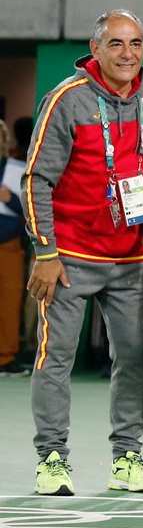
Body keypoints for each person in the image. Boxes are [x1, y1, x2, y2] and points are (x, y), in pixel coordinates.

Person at [22, 9, 143, 495]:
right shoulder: (67, 100)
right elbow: (36, 178)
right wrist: (46, 251)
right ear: (95, 47)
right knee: (55, 359)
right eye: (118, 44)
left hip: (129, 260)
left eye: (137, 44)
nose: (129, 54)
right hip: (69, 259)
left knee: (133, 360)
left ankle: (126, 457)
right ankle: (52, 458)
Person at [0, 118, 28, 377]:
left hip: (9, 245)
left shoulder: (15, 169)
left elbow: (28, 209)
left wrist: (10, 200)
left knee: (9, 301)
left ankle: (5, 358)